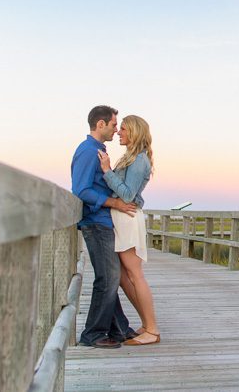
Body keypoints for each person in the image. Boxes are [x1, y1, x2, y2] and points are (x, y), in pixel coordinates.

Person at [71, 105, 139, 349]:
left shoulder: (98, 150)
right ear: (100, 124)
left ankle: (118, 328)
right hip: (95, 222)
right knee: (107, 279)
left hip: (103, 221)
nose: (115, 129)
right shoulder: (88, 152)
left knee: (109, 277)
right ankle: (93, 334)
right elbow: (81, 190)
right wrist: (115, 203)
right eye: (113, 124)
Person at [98, 114, 160, 345]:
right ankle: (146, 323)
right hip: (121, 218)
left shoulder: (139, 160)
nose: (119, 132)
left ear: (134, 132)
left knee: (135, 275)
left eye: (123, 129)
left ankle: (152, 330)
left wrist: (106, 170)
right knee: (124, 277)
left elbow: (127, 194)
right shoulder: (130, 157)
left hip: (128, 219)